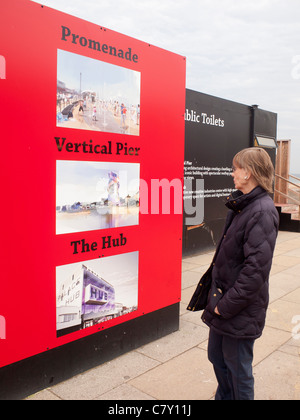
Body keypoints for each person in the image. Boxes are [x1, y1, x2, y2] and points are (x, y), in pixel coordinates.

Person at [201, 147, 279, 400]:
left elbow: (255, 271)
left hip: (237, 307)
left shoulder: (262, 210)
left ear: (249, 173)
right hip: (223, 302)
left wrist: (225, 306)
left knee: (238, 370)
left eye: (236, 168)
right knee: (217, 357)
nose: (232, 173)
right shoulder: (242, 205)